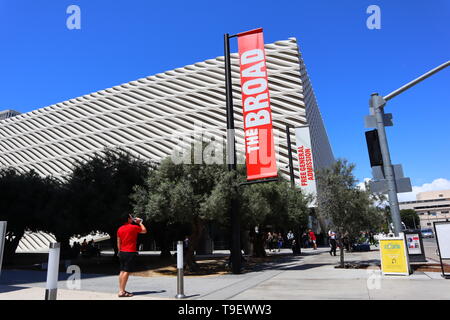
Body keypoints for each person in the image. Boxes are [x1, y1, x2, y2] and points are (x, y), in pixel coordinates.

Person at [117, 214, 147, 298]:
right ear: (128, 219)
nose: (132, 218)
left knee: (122, 271)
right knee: (126, 271)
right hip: (130, 252)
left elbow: (118, 241)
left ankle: (121, 289)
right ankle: (122, 292)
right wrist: (140, 223)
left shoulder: (120, 228)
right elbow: (144, 230)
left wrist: (119, 251)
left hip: (122, 252)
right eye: (131, 217)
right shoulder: (133, 227)